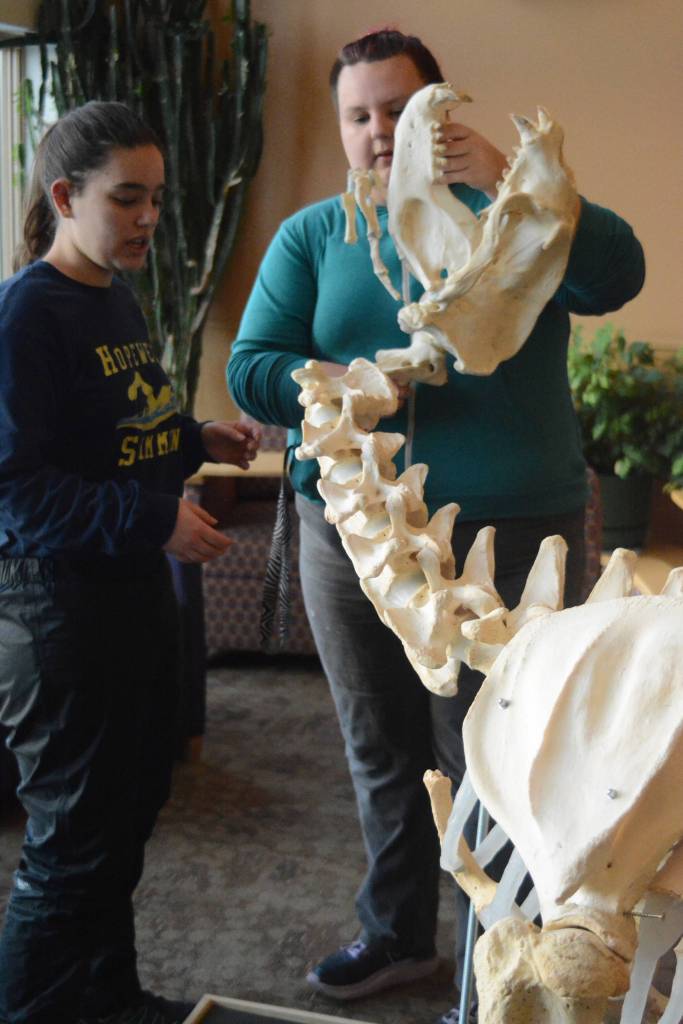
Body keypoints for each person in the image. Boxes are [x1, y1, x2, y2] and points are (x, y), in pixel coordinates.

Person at [227, 28, 645, 1024]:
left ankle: (501, 962)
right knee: (377, 742)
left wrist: (523, 185)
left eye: (394, 111)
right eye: (356, 115)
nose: (376, 134)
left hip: (507, 534)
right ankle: (397, 932)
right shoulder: (311, 238)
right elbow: (252, 364)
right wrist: (344, 378)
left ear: (436, 116)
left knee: (505, 757)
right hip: (349, 531)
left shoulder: (521, 221)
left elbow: (613, 274)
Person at [0, 101, 260, 1024]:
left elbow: (117, 433)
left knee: (125, 813)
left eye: (156, 195)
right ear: (65, 196)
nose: (150, 215)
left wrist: (195, 438)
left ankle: (101, 995)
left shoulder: (114, 289)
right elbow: (16, 492)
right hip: (57, 611)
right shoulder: (27, 313)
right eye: (127, 198)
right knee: (72, 840)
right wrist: (154, 519)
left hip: (129, 596)